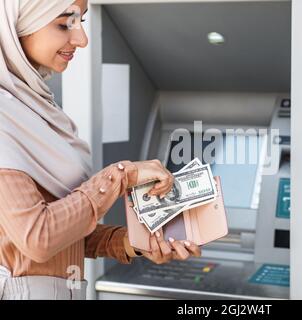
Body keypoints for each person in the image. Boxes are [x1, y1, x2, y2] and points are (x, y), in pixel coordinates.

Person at [0, 0, 201, 300]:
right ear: (19, 24)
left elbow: (63, 234)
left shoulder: (34, 107)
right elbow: (38, 238)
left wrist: (132, 241)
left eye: (81, 21)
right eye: (65, 23)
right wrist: (124, 175)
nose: (82, 39)